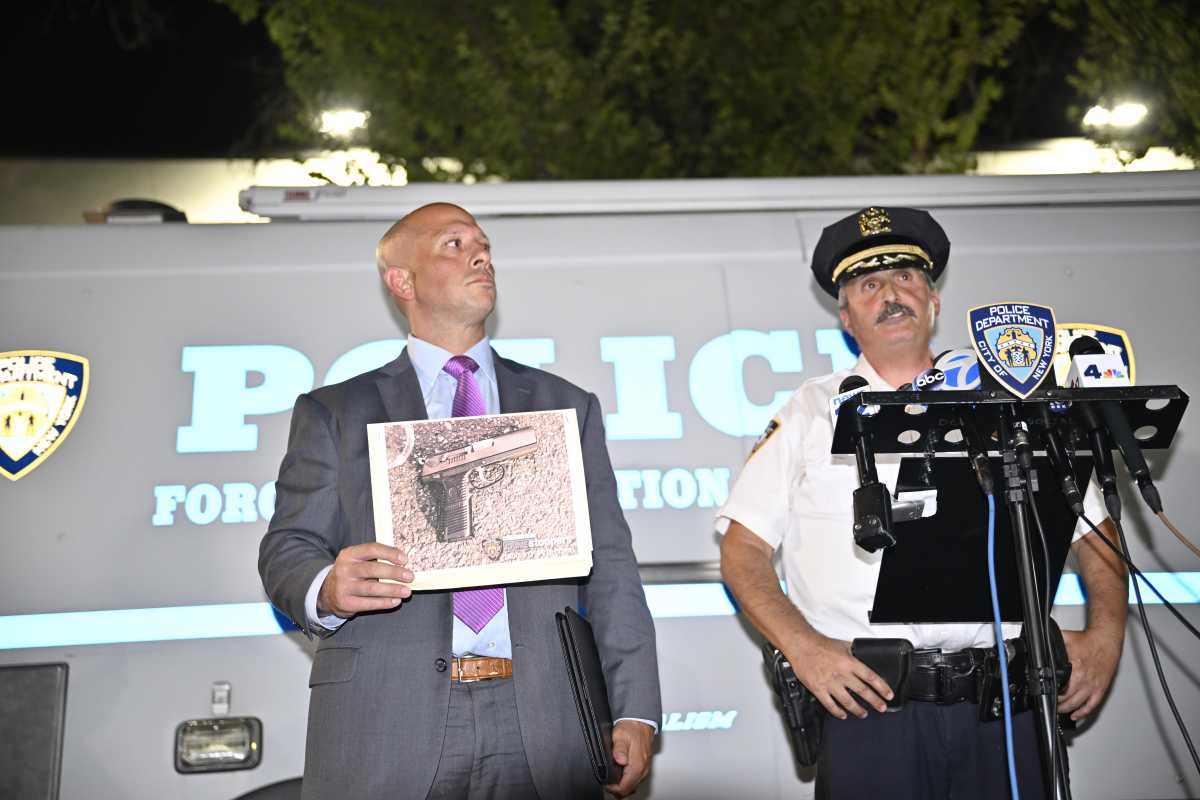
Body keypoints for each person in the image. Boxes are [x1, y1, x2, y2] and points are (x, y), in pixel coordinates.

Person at [717, 206, 1128, 799]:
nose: (891, 295)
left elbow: (1097, 532)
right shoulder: (811, 412)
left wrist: (1106, 634)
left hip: (1004, 706)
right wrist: (804, 649)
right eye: (869, 284)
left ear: (934, 301)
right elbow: (742, 550)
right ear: (845, 316)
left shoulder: (1006, 404)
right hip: (871, 708)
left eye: (907, 278)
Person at [260, 202, 661, 800]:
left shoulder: (563, 407)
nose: (481, 254)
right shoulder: (335, 413)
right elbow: (288, 547)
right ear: (402, 281)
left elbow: (611, 566)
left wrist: (635, 709)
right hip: (386, 720)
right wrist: (326, 586)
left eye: (484, 244)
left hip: (546, 721)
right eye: (453, 244)